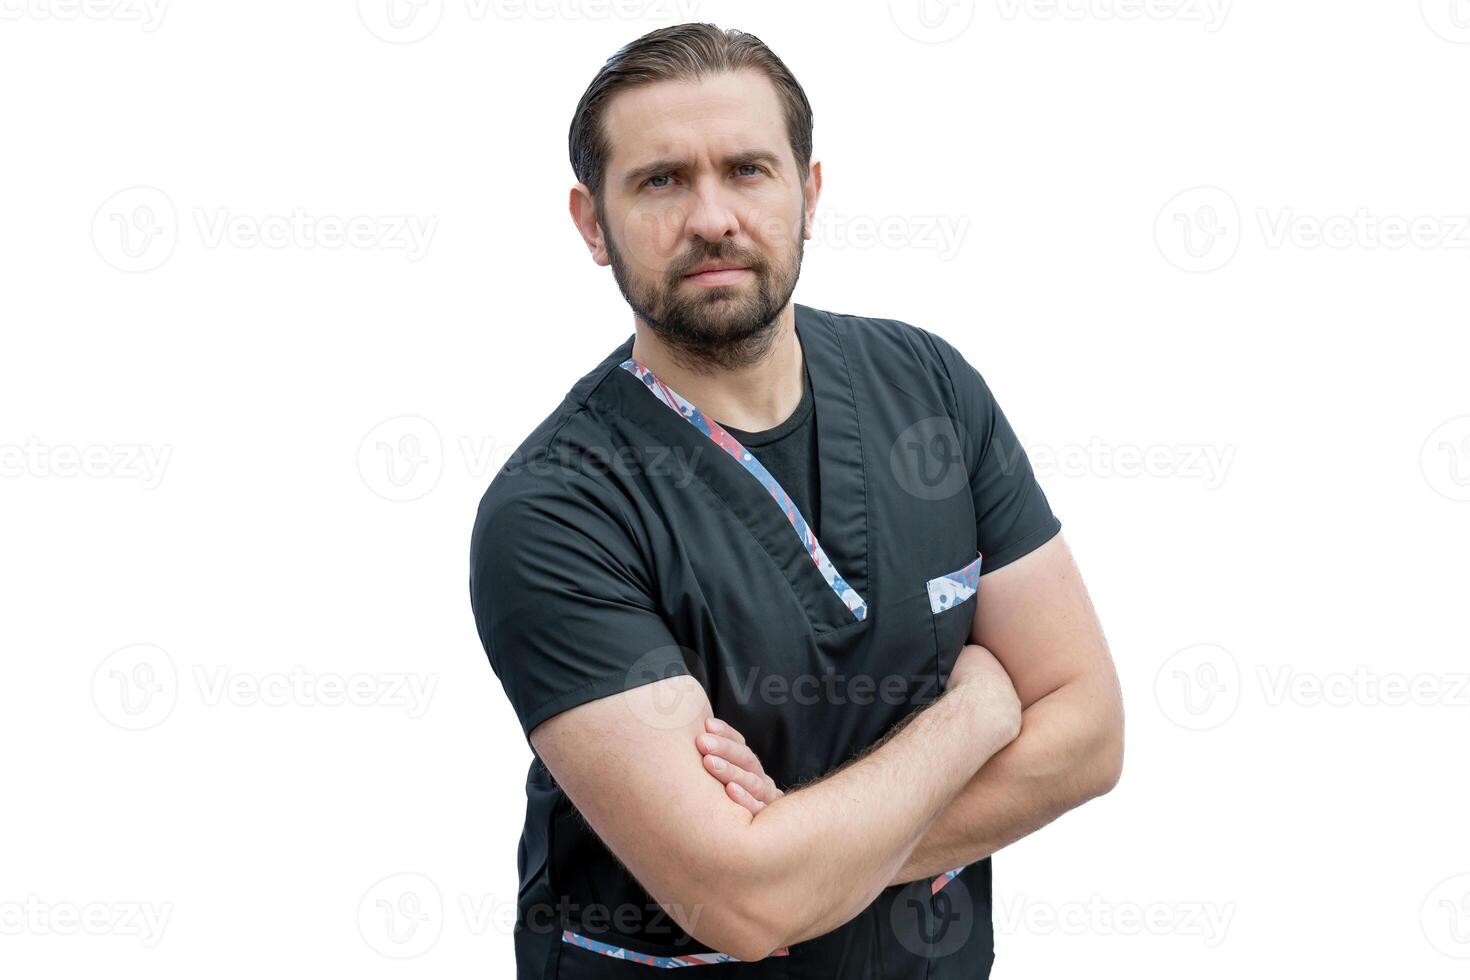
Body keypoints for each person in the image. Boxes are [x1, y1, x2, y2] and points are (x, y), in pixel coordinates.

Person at [468, 22, 1123, 978]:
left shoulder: (930, 393)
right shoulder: (556, 511)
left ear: (808, 193)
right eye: (660, 181)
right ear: (591, 222)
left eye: (747, 170)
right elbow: (740, 898)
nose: (712, 217)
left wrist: (809, 858)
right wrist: (977, 708)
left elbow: (1090, 732)